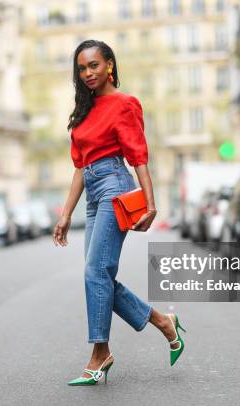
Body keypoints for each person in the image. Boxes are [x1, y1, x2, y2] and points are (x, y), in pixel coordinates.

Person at [52, 40, 186, 386]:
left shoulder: (125, 104)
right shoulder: (83, 111)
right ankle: (162, 322)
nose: (88, 74)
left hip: (115, 186)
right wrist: (66, 213)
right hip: (94, 196)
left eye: (94, 65)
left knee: (96, 272)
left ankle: (100, 353)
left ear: (110, 64)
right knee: (99, 277)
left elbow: (138, 156)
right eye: (82, 69)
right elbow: (80, 167)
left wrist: (151, 203)